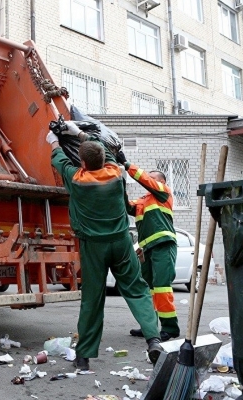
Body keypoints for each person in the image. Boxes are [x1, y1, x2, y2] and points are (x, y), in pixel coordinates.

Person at [46, 122, 163, 372]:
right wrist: (78, 132)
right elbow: (103, 149)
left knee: (92, 298)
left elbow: (58, 159)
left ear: (83, 163)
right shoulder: (114, 172)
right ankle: (153, 339)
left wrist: (54, 139)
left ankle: (84, 357)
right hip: (121, 242)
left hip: (93, 246)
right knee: (137, 289)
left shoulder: (77, 180)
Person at [120, 163, 180, 342]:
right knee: (148, 289)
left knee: (161, 286)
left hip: (163, 244)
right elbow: (126, 206)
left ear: (161, 182)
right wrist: (119, 185)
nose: (149, 181)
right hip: (146, 250)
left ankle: (170, 328)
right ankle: (150, 327)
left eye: (153, 178)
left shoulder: (163, 193)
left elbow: (145, 180)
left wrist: (127, 165)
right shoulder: (142, 202)